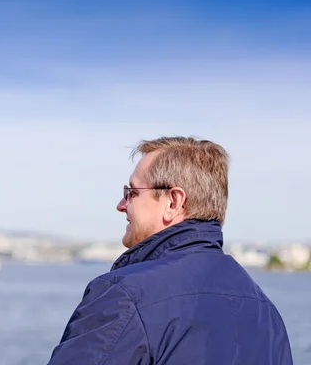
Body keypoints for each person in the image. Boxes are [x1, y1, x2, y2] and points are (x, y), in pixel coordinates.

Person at [47, 136, 292, 364]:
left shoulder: (125, 296)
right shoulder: (265, 312)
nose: (121, 205)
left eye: (131, 192)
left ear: (173, 202)